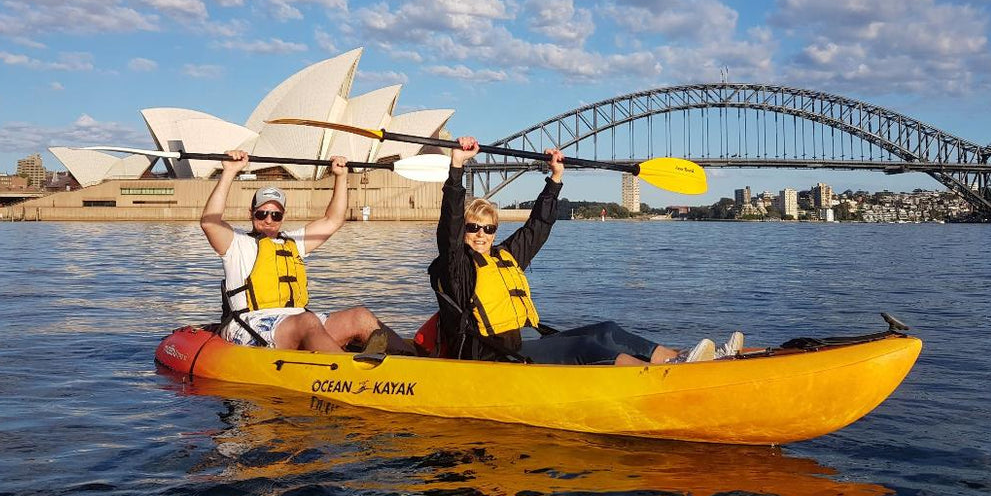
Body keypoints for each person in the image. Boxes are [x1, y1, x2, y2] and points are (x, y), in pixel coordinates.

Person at [428, 137, 742, 365]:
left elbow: (539, 225)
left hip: (525, 339)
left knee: (606, 331)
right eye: (473, 228)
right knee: (590, 348)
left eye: (489, 228)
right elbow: (450, 226)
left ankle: (685, 359)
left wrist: (555, 178)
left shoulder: (505, 256)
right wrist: (456, 168)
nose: (481, 235)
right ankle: (659, 377)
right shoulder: (458, 267)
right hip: (492, 354)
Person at [201, 149, 411, 354]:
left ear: (283, 216)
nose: (268, 219)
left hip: (297, 320)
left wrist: (341, 177)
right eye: (262, 213)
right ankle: (350, 372)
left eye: (275, 215)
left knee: (360, 316)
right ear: (252, 213)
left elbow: (333, 220)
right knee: (307, 321)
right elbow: (210, 222)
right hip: (252, 324)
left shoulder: (294, 243)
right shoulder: (237, 244)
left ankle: (414, 361)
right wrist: (229, 171)